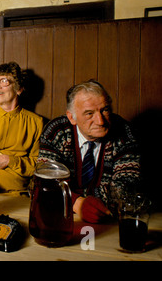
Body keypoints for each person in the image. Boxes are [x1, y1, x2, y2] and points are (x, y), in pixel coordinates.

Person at [38, 80, 141, 223]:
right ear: (72, 117)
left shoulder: (124, 132)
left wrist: (69, 194)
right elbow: (42, 184)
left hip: (111, 220)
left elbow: (126, 191)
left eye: (105, 110)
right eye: (89, 113)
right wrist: (77, 203)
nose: (100, 121)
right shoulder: (56, 132)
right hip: (63, 216)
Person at [0, 62, 44, 194]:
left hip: (19, 194)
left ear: (19, 89)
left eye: (4, 81)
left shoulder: (36, 122)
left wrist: (11, 161)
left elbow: (38, 166)